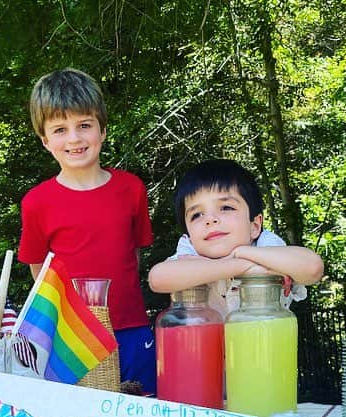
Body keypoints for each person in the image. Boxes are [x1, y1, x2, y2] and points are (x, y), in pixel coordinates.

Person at [18, 68, 156, 395]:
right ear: (45, 140)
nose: (74, 139)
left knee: (144, 414)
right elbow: (41, 276)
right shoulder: (37, 202)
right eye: (60, 129)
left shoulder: (131, 189)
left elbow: (131, 256)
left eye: (84, 125)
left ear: (102, 130)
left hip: (131, 329)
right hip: (70, 342)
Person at [148, 159, 323, 315]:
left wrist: (242, 252)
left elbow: (312, 268)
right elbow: (157, 279)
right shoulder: (191, 248)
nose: (210, 220)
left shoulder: (265, 244)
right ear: (190, 236)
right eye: (196, 215)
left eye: (226, 208)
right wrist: (239, 265)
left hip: (263, 348)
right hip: (206, 349)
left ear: (254, 226)